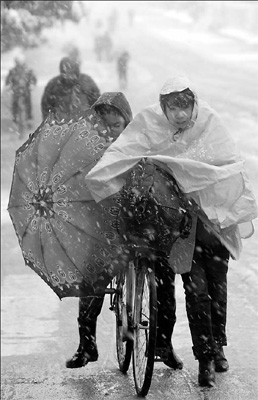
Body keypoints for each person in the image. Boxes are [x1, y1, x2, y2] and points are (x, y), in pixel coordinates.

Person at [85, 76, 257, 387]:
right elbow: (123, 155)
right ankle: (189, 350)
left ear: (193, 103)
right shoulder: (147, 124)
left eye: (184, 106)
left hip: (195, 226)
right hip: (160, 225)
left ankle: (194, 346)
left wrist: (195, 182)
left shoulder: (209, 123)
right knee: (180, 293)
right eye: (172, 107)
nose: (179, 114)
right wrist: (104, 182)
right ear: (163, 107)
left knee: (193, 290)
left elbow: (226, 163)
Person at [66, 91, 133, 368]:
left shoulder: (138, 146)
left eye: (116, 126)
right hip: (102, 229)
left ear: (127, 123)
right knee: (91, 281)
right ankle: (87, 344)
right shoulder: (87, 151)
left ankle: (162, 345)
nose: (110, 132)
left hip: (134, 227)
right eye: (104, 126)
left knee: (159, 278)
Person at [41, 57, 100, 122]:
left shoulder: (86, 82)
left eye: (73, 74)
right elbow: (46, 106)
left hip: (84, 124)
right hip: (62, 125)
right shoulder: (54, 85)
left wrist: (96, 120)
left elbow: (97, 102)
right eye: (67, 74)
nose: (70, 77)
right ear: (62, 73)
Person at [5, 54, 37, 125]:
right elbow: (8, 80)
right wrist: (8, 85)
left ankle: (29, 119)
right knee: (14, 104)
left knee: (28, 104)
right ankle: (14, 118)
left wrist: (32, 85)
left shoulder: (28, 70)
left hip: (26, 90)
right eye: (17, 61)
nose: (18, 63)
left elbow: (34, 79)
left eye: (20, 61)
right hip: (16, 90)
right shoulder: (12, 71)